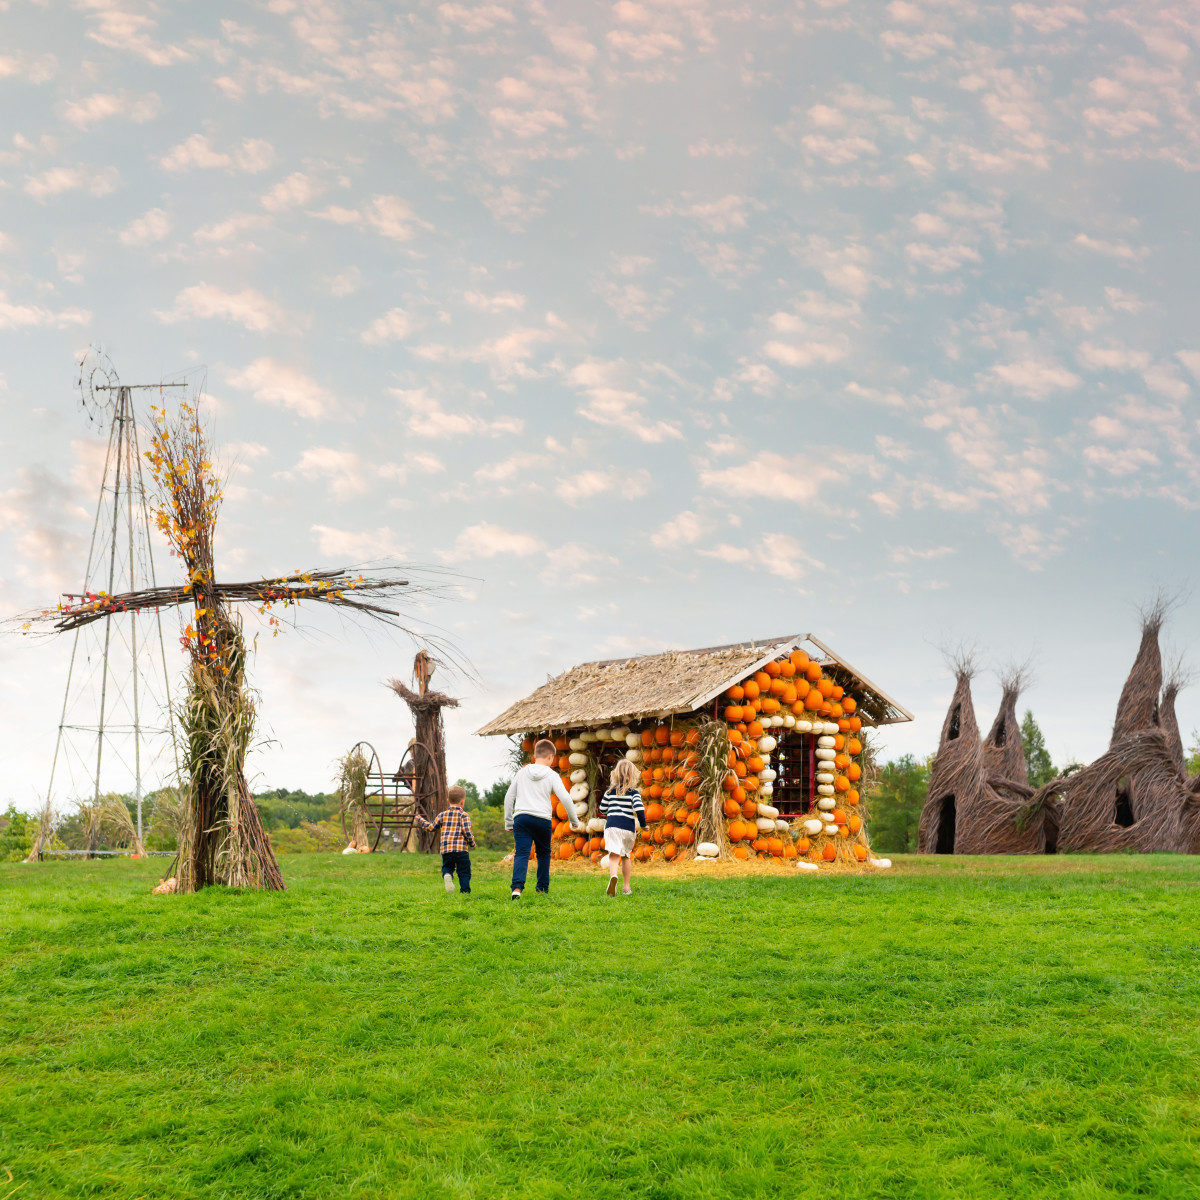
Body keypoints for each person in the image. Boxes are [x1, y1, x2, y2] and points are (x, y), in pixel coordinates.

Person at [504, 738, 584, 899]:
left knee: (521, 853)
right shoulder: (552, 775)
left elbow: (508, 797)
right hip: (542, 820)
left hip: (521, 818)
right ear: (551, 757)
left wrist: (508, 821)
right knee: (543, 853)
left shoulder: (522, 772)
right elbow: (566, 799)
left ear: (534, 755)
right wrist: (574, 821)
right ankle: (541, 889)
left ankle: (517, 889)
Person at [414, 785, 476, 894]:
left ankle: (447, 875)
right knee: (464, 872)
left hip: (446, 850)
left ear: (448, 800)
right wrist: (472, 843)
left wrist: (420, 820)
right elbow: (467, 832)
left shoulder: (442, 815)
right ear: (462, 802)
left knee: (447, 867)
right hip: (461, 850)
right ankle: (465, 891)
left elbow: (431, 827)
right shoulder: (464, 815)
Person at [599, 759, 647, 897]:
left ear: (615, 774)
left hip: (612, 827)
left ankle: (613, 877)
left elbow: (602, 809)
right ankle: (626, 887)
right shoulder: (634, 793)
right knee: (626, 856)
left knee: (614, 855)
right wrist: (643, 825)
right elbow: (639, 809)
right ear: (633, 775)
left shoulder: (609, 791)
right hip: (627, 828)